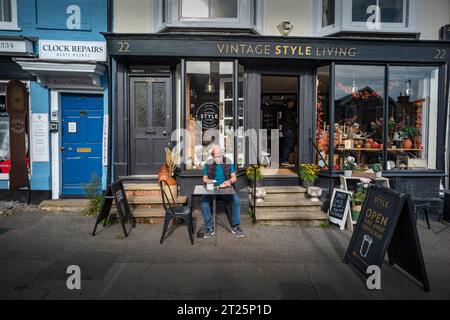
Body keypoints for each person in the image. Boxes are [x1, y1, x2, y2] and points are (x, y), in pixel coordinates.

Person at [200, 145, 245, 239]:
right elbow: (204, 178)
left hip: (225, 189)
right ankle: (209, 227)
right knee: (204, 203)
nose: (218, 158)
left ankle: (236, 226)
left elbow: (234, 177)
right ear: (213, 156)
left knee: (236, 200)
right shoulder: (208, 163)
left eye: (220, 155)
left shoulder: (228, 162)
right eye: (216, 156)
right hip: (212, 189)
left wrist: (228, 182)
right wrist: (210, 181)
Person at [281, 99, 297, 167]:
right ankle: (284, 160)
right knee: (287, 146)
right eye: (292, 103)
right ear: (289, 103)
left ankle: (285, 160)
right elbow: (289, 121)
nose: (292, 104)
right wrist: (295, 121)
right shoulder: (287, 111)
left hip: (287, 130)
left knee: (287, 145)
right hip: (288, 130)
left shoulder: (287, 111)